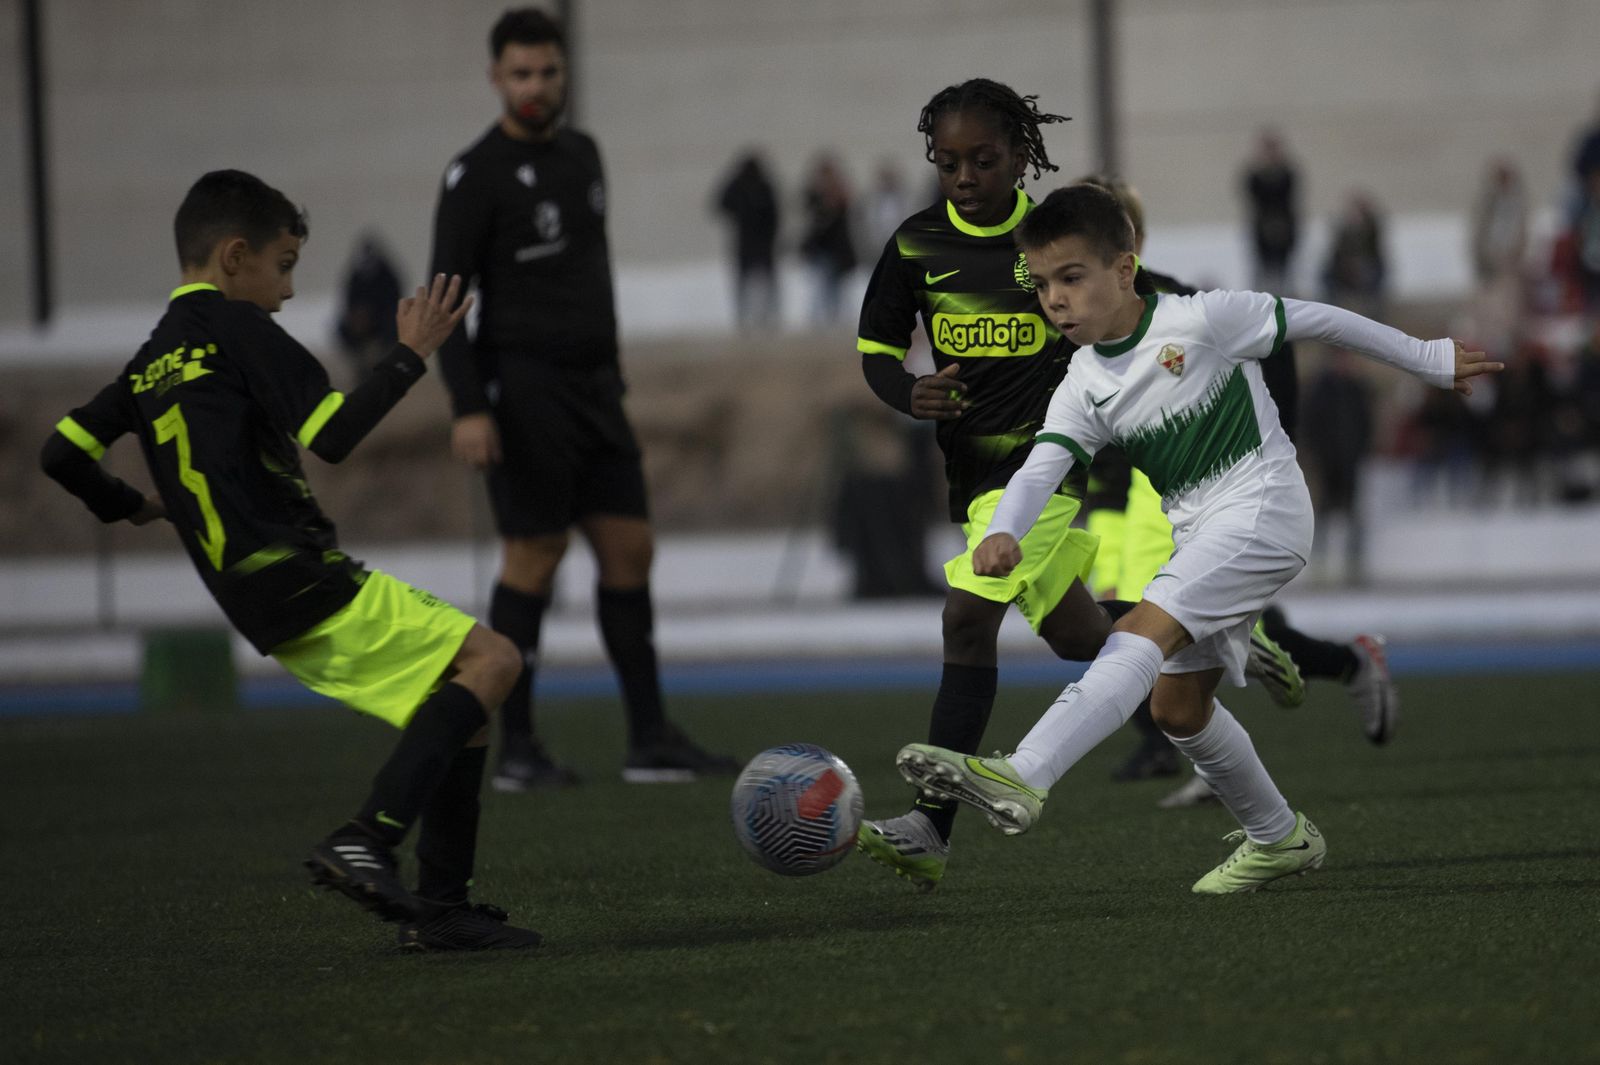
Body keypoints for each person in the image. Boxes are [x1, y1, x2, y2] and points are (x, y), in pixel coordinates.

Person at [897, 183, 1500, 893]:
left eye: (1071, 277)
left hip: (1264, 511)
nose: (1054, 299)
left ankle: (1025, 773)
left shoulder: (1205, 317)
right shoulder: (1083, 382)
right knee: (1177, 708)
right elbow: (1041, 468)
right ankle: (1280, 837)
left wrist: (1427, 357)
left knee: (1138, 638)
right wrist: (1002, 530)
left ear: (1124, 269)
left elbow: (1323, 321)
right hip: (1202, 532)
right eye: (1043, 284)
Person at [39, 169, 540, 950]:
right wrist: (411, 355)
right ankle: (366, 839)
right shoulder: (239, 329)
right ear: (235, 256)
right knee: (496, 660)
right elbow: (331, 433)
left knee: (458, 700)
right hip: (294, 569)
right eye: (285, 265)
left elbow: (61, 450)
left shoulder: (148, 363)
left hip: (246, 595)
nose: (289, 290)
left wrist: (128, 503)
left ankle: (441, 908)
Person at [429, 8, 737, 791]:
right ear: (496, 79)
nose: (537, 87)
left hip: (597, 389)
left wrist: (611, 366)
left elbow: (588, 276)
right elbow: (446, 304)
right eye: (522, 74)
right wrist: (468, 406)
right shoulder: (474, 176)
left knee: (630, 549)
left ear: (566, 74)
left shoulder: (583, 154)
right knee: (535, 555)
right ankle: (520, 748)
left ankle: (649, 738)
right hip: (522, 388)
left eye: (549, 72)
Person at [852, 79, 1123, 892]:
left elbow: (1114, 319)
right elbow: (875, 350)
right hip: (972, 479)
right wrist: (909, 392)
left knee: (966, 620)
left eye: (984, 159)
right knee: (1082, 640)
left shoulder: (1047, 242)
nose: (965, 175)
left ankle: (929, 828)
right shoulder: (913, 246)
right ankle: (1198, 634)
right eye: (948, 162)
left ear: (1020, 156)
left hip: (1047, 466)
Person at [1078, 175, 1398, 797]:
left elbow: (1275, 339)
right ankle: (1190, 738)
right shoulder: (1069, 317)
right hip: (1115, 499)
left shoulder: (1178, 303)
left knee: (1155, 625)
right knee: (1133, 626)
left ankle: (1334, 667)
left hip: (1172, 495)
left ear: (1130, 246)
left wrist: (1278, 442)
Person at [714, 150, 781, 330]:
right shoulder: (742, 187)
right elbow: (720, 204)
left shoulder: (762, 187)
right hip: (749, 243)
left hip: (760, 243)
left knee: (763, 283)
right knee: (749, 284)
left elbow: (774, 215)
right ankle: (746, 318)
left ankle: (764, 318)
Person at [334, 232, 403, 378]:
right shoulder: (355, 275)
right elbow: (349, 300)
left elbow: (394, 300)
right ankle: (360, 363)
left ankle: (386, 364)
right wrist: (356, 316)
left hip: (385, 319)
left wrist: (374, 315)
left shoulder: (388, 274)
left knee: (392, 327)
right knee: (342, 329)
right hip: (361, 320)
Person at [799, 153, 858, 322]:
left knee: (837, 289)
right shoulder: (813, 197)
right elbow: (811, 222)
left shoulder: (841, 200)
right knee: (820, 287)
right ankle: (820, 320)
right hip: (820, 250)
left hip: (837, 251)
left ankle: (836, 319)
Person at [1241, 130, 1300, 294]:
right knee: (1262, 276)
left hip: (1284, 229)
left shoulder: (1287, 174)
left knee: (1285, 276)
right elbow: (1254, 201)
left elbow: (1288, 200)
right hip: (1262, 231)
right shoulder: (1254, 176)